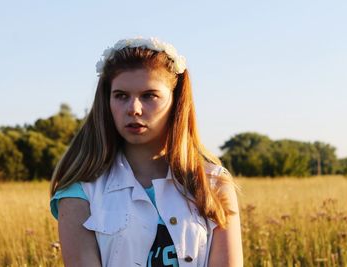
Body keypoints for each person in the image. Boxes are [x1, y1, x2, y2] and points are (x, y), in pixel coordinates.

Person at [49, 37, 243, 267]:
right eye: (121, 95)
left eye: (149, 95)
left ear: (176, 100)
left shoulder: (213, 183)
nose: (134, 109)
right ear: (107, 101)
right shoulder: (79, 193)